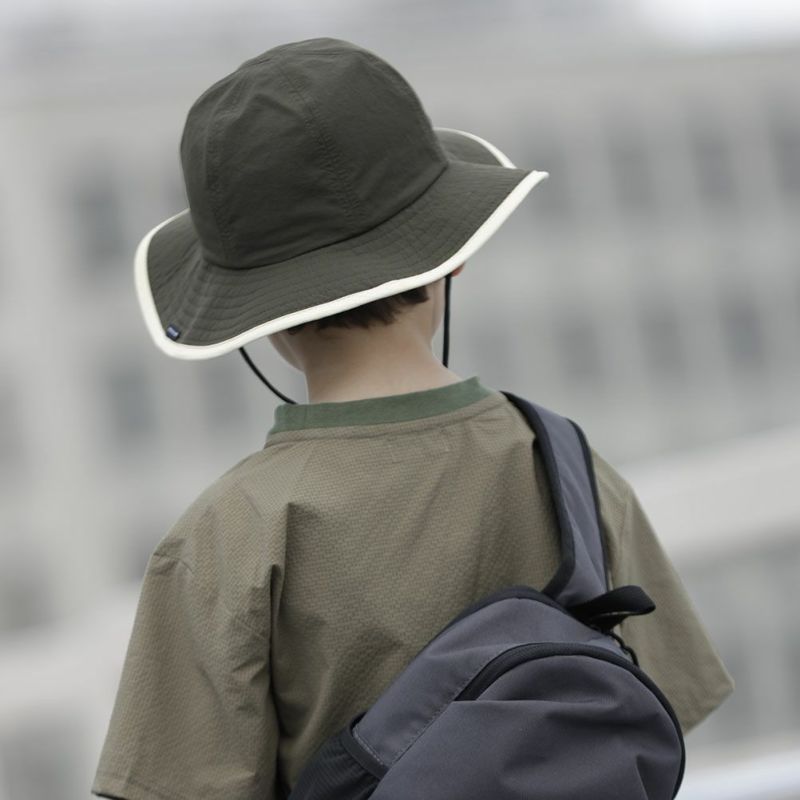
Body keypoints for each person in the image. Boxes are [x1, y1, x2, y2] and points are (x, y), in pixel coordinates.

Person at [91, 37, 733, 800]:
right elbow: (659, 714)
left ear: (259, 318)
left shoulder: (228, 533)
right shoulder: (565, 464)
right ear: (452, 254)